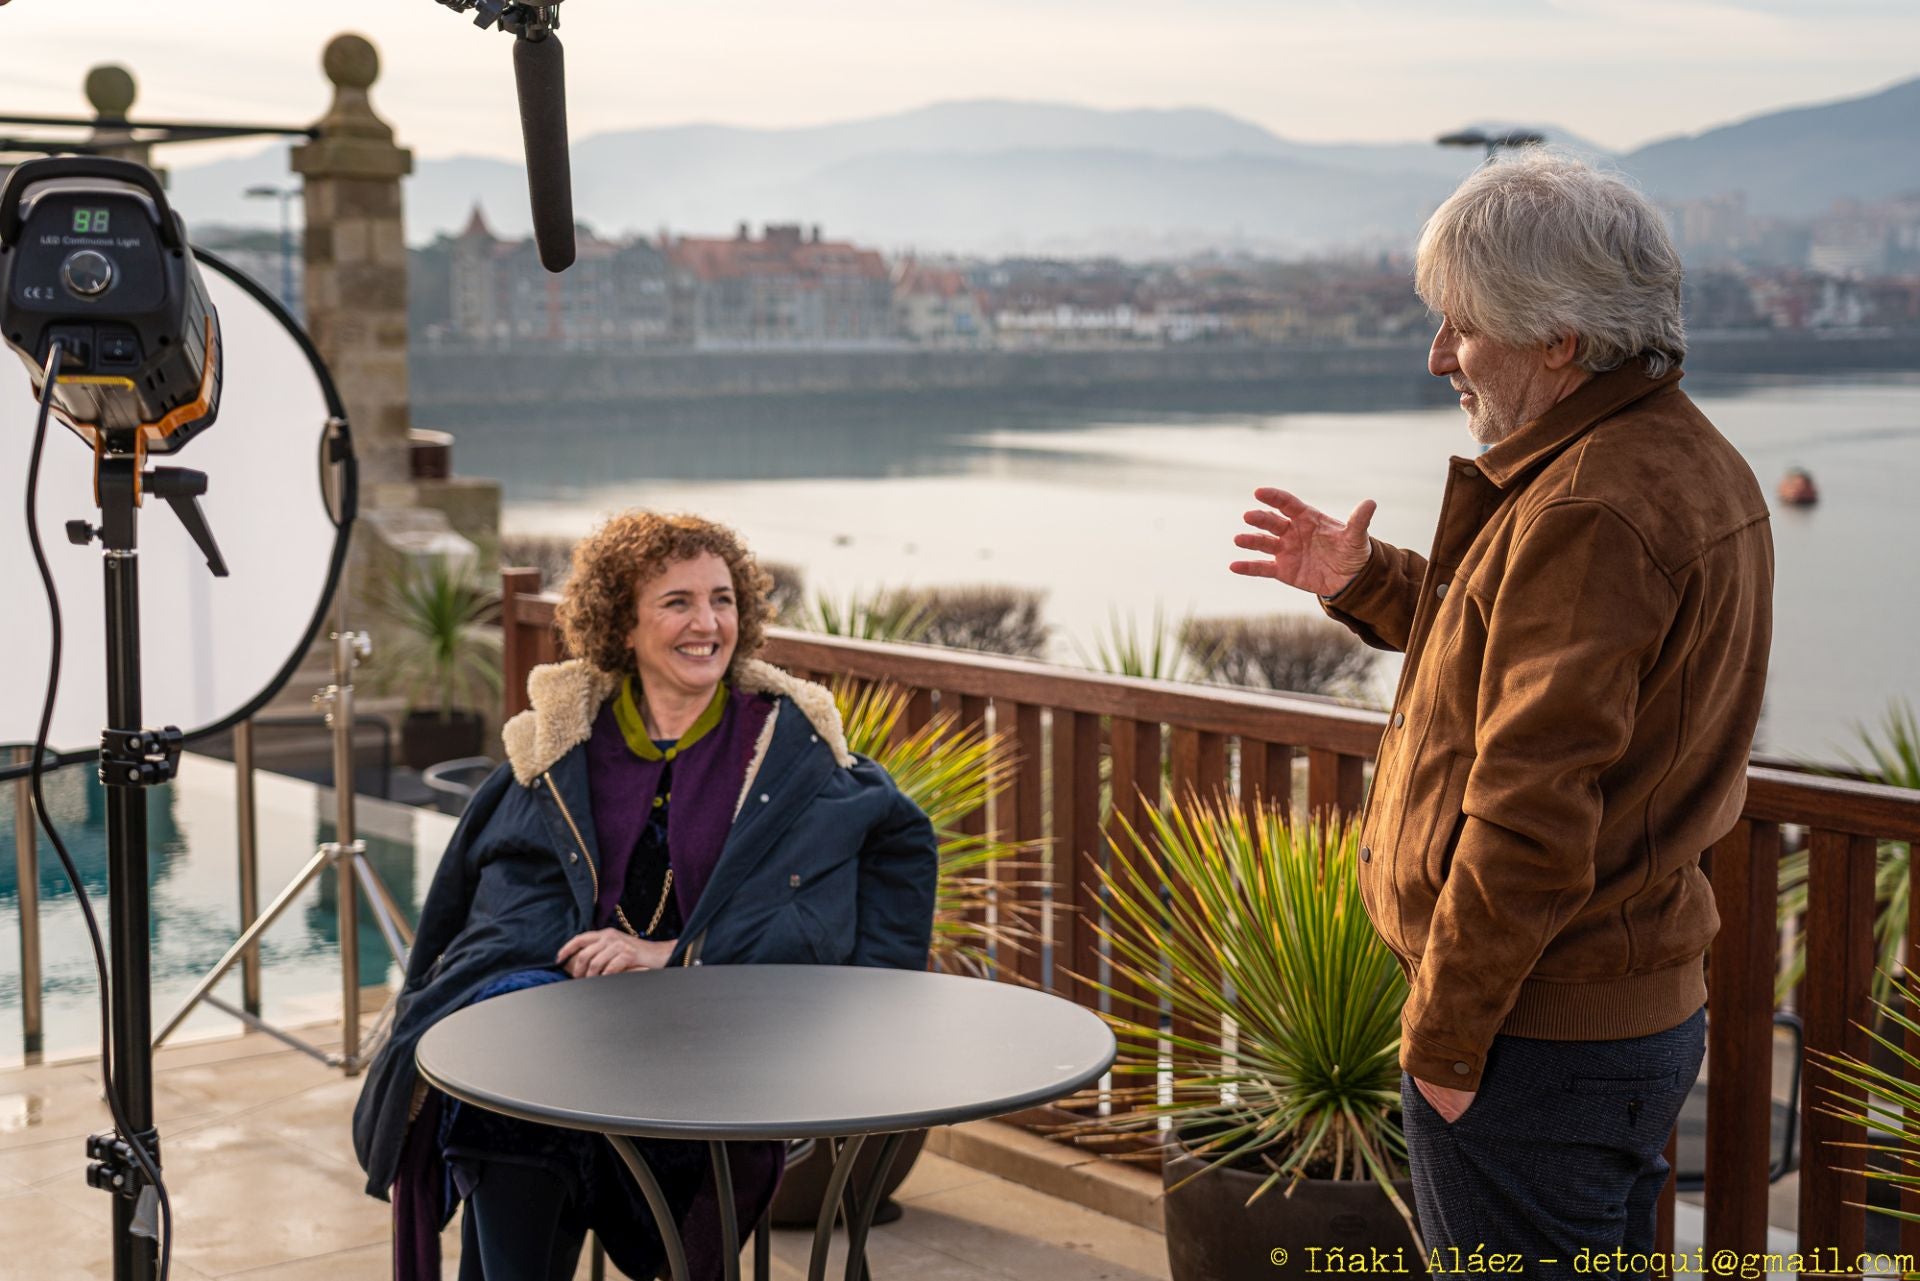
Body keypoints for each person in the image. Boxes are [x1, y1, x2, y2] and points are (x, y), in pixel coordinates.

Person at [1229, 150, 1772, 1265]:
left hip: (1531, 1038)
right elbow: (1532, 658)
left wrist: (1448, 1044)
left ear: (1559, 339)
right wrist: (1366, 577)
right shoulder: (1677, 459)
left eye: (1463, 327)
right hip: (1616, 1015)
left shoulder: (1589, 508)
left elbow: (1533, 807)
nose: (1439, 358)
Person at [352, 511, 939, 1281]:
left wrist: (682, 956)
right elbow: (492, 912)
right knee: (513, 1082)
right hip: (563, 1054)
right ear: (622, 625)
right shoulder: (558, 754)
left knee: (526, 1096)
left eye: (723, 599)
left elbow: (885, 861)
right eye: (677, 602)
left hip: (718, 1067)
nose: (708, 623)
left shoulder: (790, 758)